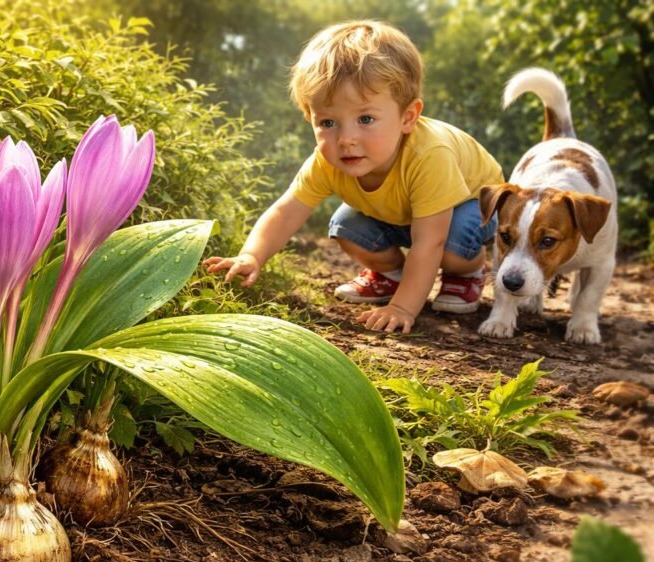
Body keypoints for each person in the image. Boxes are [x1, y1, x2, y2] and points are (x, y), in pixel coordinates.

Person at [204, 20, 504, 333]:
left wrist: (403, 308)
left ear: (408, 117)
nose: (346, 139)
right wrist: (251, 256)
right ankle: (391, 275)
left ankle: (466, 273)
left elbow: (430, 241)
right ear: (310, 118)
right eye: (328, 123)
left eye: (365, 119)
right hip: (401, 214)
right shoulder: (327, 161)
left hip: (470, 206)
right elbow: (286, 211)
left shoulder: (429, 155)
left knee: (450, 246)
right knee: (346, 226)